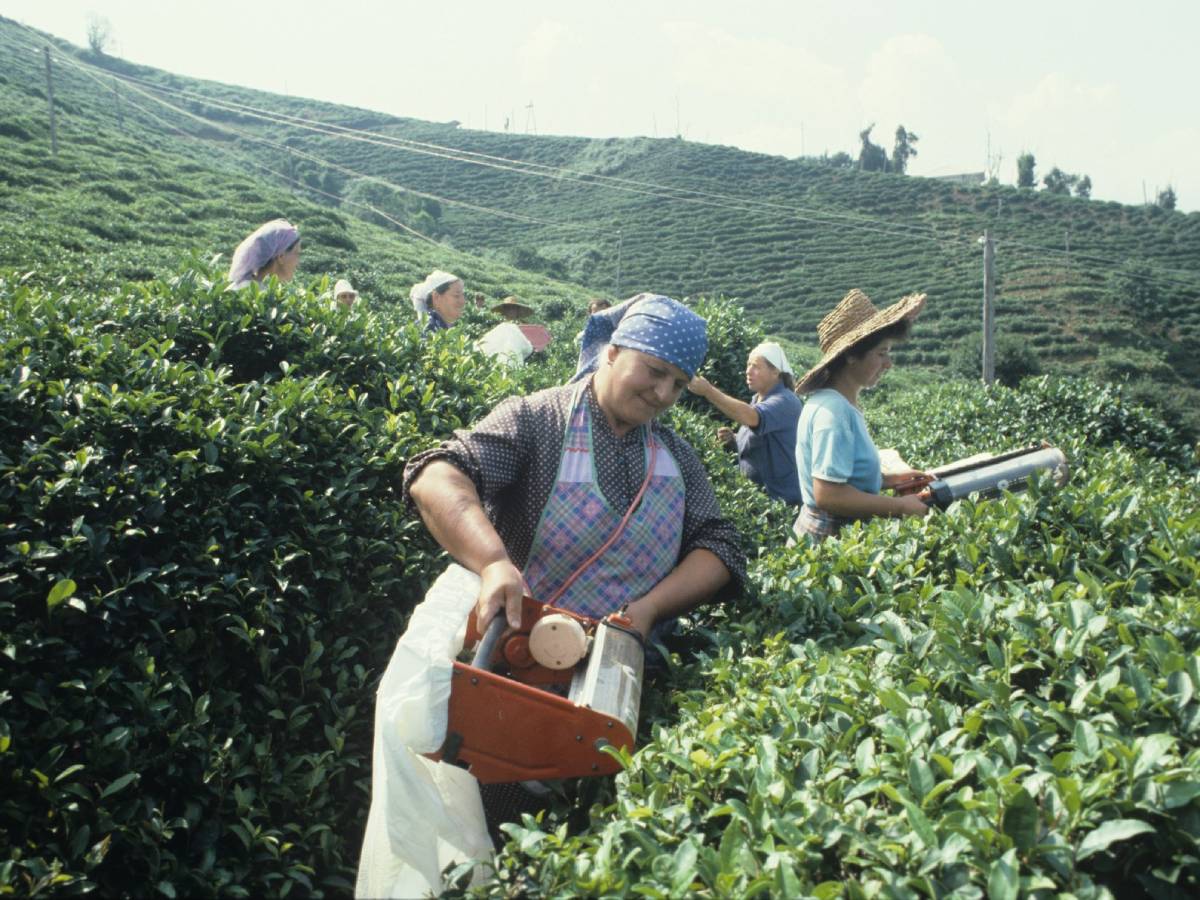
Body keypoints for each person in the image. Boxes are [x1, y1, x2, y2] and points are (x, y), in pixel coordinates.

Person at [404, 293, 745, 840]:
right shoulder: (537, 421)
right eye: (653, 371)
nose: (662, 394)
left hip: (620, 691)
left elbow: (720, 545)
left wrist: (648, 609)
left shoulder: (676, 456)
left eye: (678, 384)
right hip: (517, 681)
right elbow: (437, 474)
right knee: (501, 838)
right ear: (612, 352)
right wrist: (493, 564)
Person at [792, 288, 932, 542]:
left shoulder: (836, 403)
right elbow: (828, 495)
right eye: (881, 353)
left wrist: (889, 480)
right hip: (829, 540)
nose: (888, 363)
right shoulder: (833, 413)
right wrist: (900, 507)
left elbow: (847, 477)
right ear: (851, 356)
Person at [688, 342, 803, 506]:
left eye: (755, 366)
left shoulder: (786, 401)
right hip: (756, 498)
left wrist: (708, 391)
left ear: (775, 371)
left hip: (779, 502)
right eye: (748, 365)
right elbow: (763, 438)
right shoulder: (758, 398)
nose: (748, 371)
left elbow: (752, 417)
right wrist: (735, 439)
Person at [227, 219, 301, 289]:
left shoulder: (238, 287)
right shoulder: (264, 297)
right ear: (280, 257)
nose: (298, 262)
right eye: (297, 254)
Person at [410, 270, 466, 335]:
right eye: (456, 295)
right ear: (436, 297)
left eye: (462, 295)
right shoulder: (428, 330)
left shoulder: (444, 326)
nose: (463, 301)